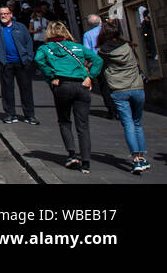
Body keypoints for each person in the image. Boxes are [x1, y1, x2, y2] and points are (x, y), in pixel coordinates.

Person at [33, 21, 102, 174]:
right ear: (65, 31)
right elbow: (97, 60)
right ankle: (86, 163)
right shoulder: (77, 47)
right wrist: (90, 77)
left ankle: (72, 155)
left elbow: (38, 60)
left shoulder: (45, 48)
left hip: (62, 86)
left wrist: (51, 76)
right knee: (83, 126)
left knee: (64, 121)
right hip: (81, 86)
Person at [96, 19, 149, 174]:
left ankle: (136, 160)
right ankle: (142, 157)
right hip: (137, 87)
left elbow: (98, 68)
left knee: (128, 124)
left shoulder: (103, 52)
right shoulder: (128, 47)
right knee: (137, 123)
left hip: (119, 90)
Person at [0, 5, 38, 125]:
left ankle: (29, 115)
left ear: (11, 15)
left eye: (6, 14)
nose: (4, 16)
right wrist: (0, 58)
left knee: (26, 90)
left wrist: (28, 58)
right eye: (1, 14)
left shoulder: (20, 27)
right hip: (6, 64)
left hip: (22, 63)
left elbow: (28, 43)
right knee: (7, 91)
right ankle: (10, 114)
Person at [81, 14, 115, 119]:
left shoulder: (87, 35)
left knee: (104, 86)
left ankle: (112, 111)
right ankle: (119, 108)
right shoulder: (108, 31)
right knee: (115, 84)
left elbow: (87, 51)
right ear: (100, 21)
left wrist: (86, 66)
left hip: (98, 62)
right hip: (112, 60)